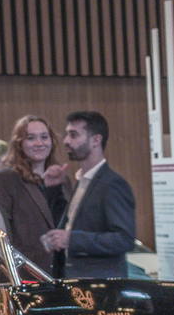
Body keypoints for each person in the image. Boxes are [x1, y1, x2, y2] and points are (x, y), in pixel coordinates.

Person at [43, 110, 137, 280]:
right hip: (73, 280)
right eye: (67, 135)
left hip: (100, 286)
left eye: (73, 135)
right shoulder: (82, 181)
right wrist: (54, 189)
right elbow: (70, 226)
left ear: (96, 140)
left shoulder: (112, 184)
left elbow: (124, 239)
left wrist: (72, 240)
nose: (66, 141)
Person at [0, 115, 68, 270]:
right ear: (19, 144)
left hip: (61, 271)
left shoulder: (62, 179)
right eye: (31, 138)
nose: (39, 143)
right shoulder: (4, 180)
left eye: (44, 137)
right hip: (24, 272)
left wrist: (55, 189)